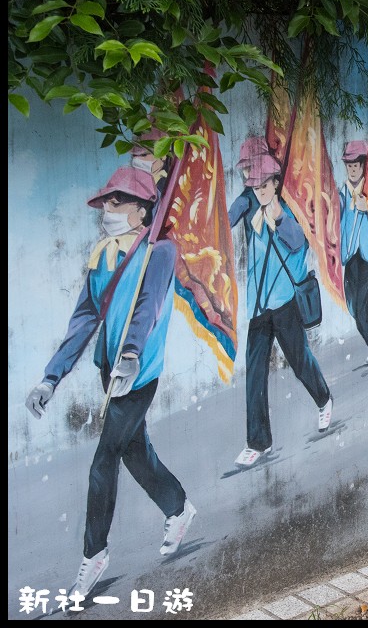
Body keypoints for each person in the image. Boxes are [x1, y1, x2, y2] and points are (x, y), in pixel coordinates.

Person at [25, 166, 196, 598]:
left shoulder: (160, 251)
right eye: (106, 201)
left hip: (139, 371)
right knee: (135, 453)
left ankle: (94, 554)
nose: (107, 208)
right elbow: (85, 318)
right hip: (109, 366)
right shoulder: (103, 253)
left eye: (117, 201)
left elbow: (149, 307)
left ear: (141, 210)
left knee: (104, 460)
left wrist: (134, 354)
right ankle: (178, 508)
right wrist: (51, 377)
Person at [230, 153, 334, 467]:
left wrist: (277, 216)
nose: (259, 190)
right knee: (256, 374)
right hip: (259, 307)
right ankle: (258, 442)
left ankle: (323, 398)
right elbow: (228, 216)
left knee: (300, 361)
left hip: (286, 302)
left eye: (264, 184)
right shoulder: (248, 208)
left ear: (276, 184)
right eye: (254, 185)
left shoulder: (286, 212)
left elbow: (298, 244)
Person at [339, 140, 368, 368]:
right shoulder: (342, 192)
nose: (353, 169)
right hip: (350, 256)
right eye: (349, 165)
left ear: (364, 165)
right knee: (354, 308)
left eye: (357, 165)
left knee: (360, 310)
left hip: (367, 256)